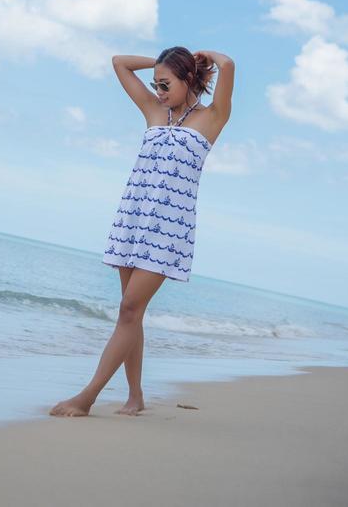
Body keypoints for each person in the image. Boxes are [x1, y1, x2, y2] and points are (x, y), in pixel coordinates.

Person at [49, 46, 235, 417]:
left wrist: (202, 58)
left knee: (129, 310)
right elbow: (119, 63)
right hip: (132, 220)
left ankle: (86, 398)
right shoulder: (154, 111)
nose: (159, 91)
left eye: (166, 84)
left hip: (168, 231)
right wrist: (161, 63)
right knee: (131, 315)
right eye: (156, 85)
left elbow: (228, 65)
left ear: (188, 79)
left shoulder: (213, 118)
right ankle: (135, 397)